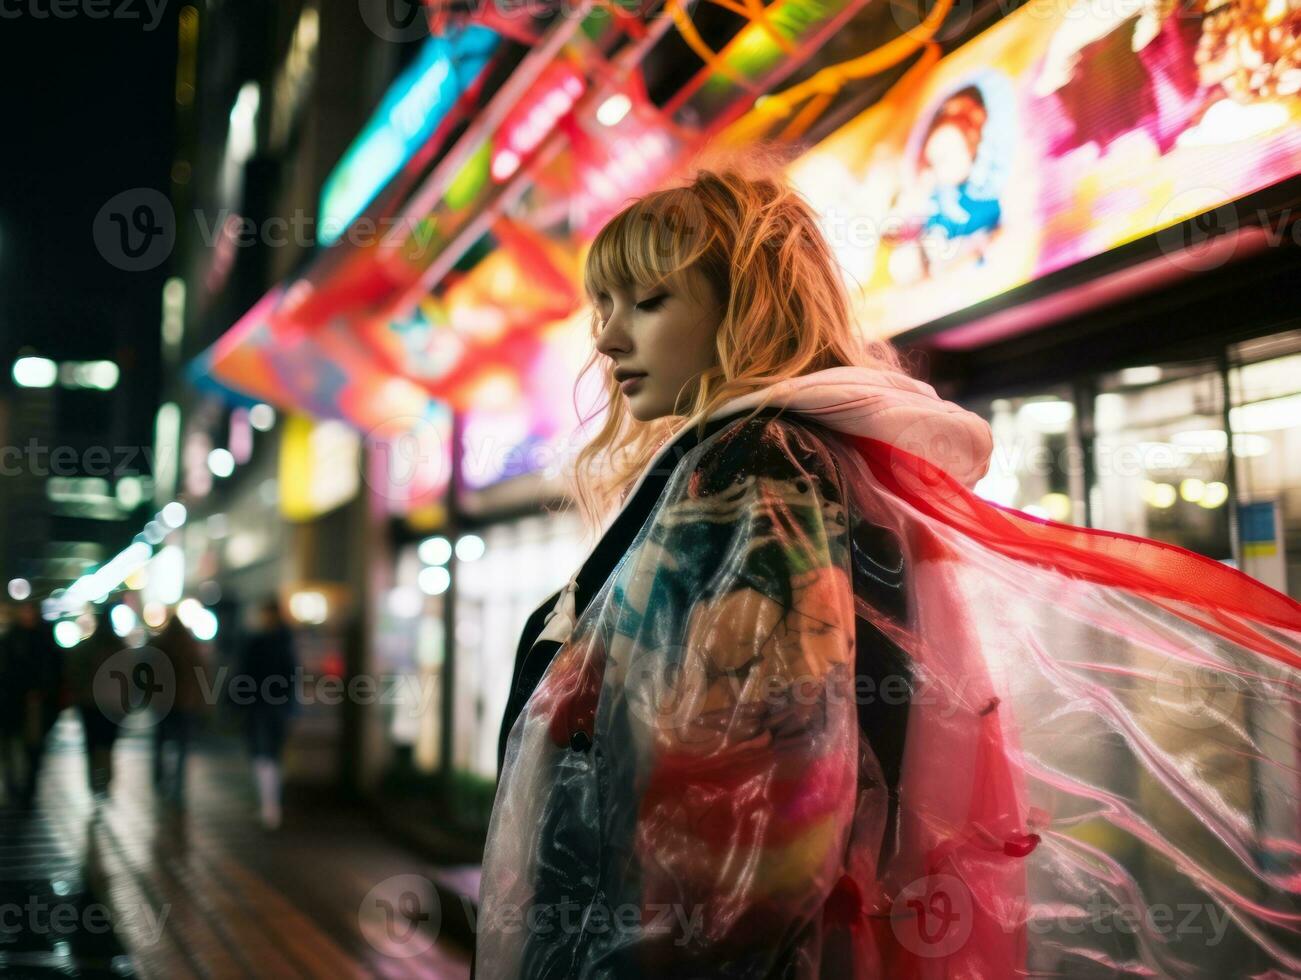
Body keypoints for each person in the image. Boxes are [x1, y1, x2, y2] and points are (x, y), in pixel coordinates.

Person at [475, 155, 1301, 978]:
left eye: (649, 302)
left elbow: (753, 807)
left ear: (746, 310)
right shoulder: (829, 462)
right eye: (604, 305)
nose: (609, 336)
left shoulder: (748, 469)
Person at [235, 598, 298, 829]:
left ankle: (269, 806)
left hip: (262, 705)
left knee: (263, 753)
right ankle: (271, 806)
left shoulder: (260, 643)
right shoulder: (285, 641)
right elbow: (292, 675)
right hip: (276, 705)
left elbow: (245, 675)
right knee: (273, 754)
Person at [0, 601, 63, 807]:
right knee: (13, 747)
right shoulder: (11, 639)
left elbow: (55, 669)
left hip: (36, 703)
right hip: (13, 703)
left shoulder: (42, 638)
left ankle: (28, 788)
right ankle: (16, 787)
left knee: (33, 748)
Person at [151, 612, 208, 804]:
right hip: (186, 705)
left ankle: (159, 779)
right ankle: (178, 787)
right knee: (183, 747)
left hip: (164, 704)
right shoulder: (190, 648)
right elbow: (202, 676)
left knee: (160, 743)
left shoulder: (161, 646)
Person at [66, 613, 123, 800]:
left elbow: (75, 673)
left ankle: (93, 780)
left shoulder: (87, 647)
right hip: (113, 703)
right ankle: (105, 778)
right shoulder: (119, 647)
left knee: (91, 742)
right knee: (108, 743)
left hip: (90, 702)